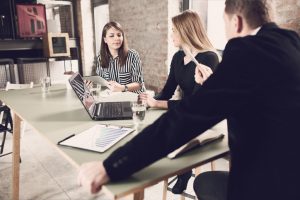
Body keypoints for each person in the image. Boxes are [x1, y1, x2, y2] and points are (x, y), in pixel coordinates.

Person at [78, 0, 300, 199]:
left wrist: (111, 166)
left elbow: (186, 118)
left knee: (203, 182)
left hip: (272, 186)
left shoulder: (247, 52)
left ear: (237, 22)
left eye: (225, 25)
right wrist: (211, 85)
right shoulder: (292, 43)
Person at [138, 10, 220, 194]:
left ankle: (183, 170)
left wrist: (158, 104)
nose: (171, 34)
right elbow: (167, 91)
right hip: (184, 111)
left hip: (203, 117)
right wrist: (149, 99)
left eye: (174, 30)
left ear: (185, 31)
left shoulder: (209, 58)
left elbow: (197, 105)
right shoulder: (177, 57)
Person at [96, 21, 144, 93]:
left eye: (119, 35)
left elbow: (139, 84)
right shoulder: (100, 56)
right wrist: (92, 84)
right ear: (105, 39)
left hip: (134, 99)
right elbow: (101, 82)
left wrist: (122, 88)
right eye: (111, 36)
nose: (116, 38)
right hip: (114, 98)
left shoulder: (133, 55)